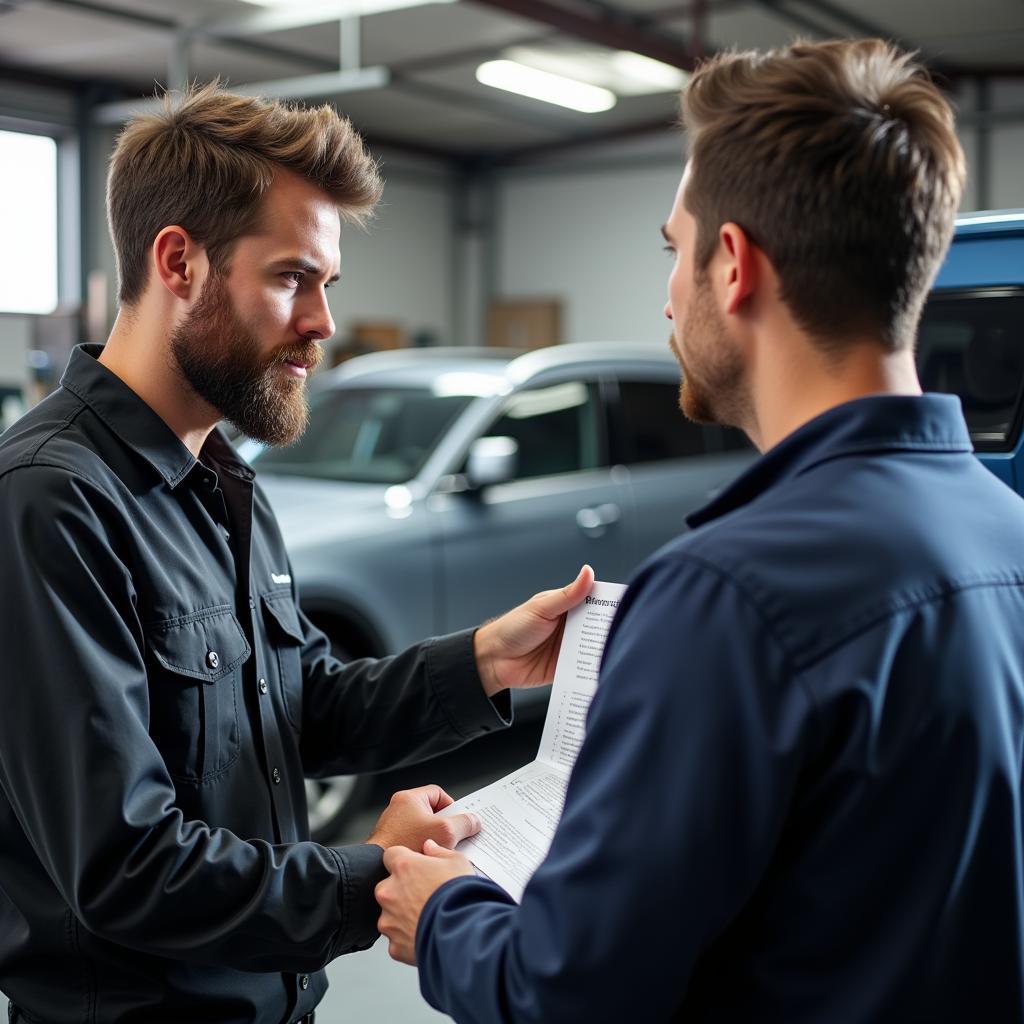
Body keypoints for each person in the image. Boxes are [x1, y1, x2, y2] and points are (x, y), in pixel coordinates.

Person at [375, 38, 1024, 1022]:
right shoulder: (1008, 534)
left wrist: (442, 911)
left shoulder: (728, 594)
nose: (665, 296)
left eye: (673, 249)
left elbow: (570, 993)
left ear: (733, 266)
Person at [0, 83, 594, 1023]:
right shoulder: (49, 501)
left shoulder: (225, 478)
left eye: (327, 285)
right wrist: (375, 876)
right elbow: (123, 865)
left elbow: (295, 706)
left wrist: (485, 660)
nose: (322, 322)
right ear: (179, 261)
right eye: (291, 278)